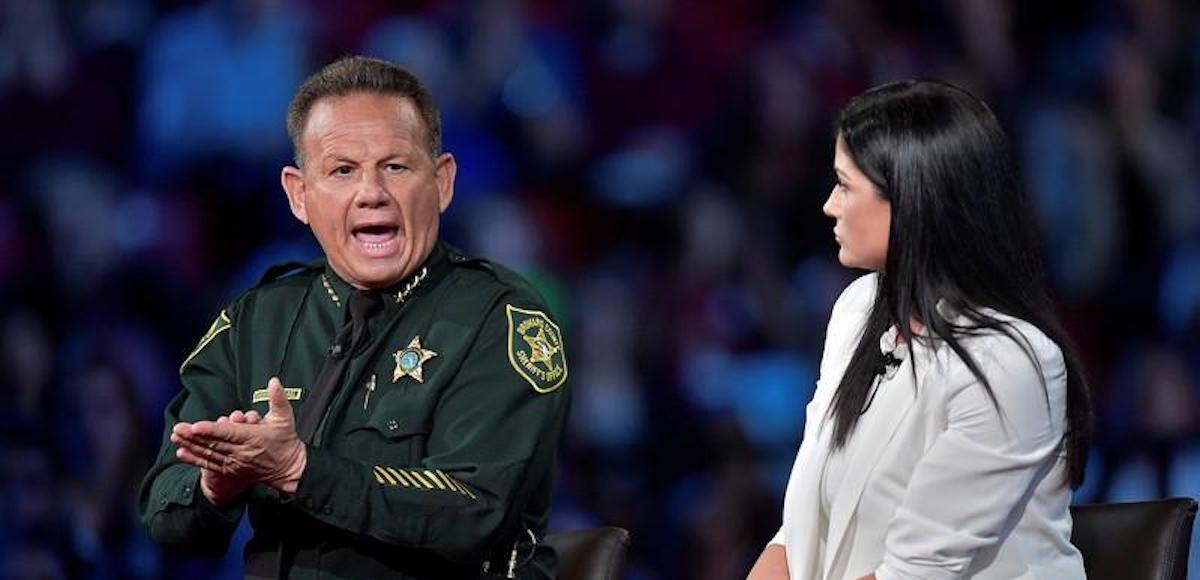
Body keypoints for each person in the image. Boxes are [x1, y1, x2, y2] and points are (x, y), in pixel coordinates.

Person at [138, 56, 570, 579]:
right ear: (299, 194)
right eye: (343, 170)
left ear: (442, 182)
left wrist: (300, 470)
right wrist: (216, 484)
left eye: (395, 166)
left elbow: (475, 510)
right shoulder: (258, 317)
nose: (371, 192)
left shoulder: (501, 318)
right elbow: (165, 513)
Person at [747, 80, 1093, 580]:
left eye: (845, 185)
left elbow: (916, 571)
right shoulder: (857, 310)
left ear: (911, 200)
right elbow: (800, 534)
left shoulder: (1011, 362)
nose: (829, 204)